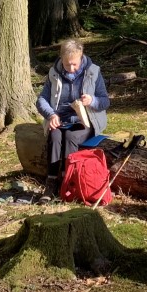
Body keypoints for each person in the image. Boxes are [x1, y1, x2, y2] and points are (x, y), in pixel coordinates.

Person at [36, 39, 110, 191]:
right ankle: (51, 182)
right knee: (55, 136)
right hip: (60, 119)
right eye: (67, 64)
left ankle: (68, 180)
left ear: (81, 57)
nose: (70, 68)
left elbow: (105, 101)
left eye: (74, 64)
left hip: (85, 121)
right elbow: (42, 99)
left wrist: (92, 101)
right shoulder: (54, 73)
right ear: (61, 58)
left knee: (71, 136)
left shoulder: (93, 72)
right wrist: (51, 115)